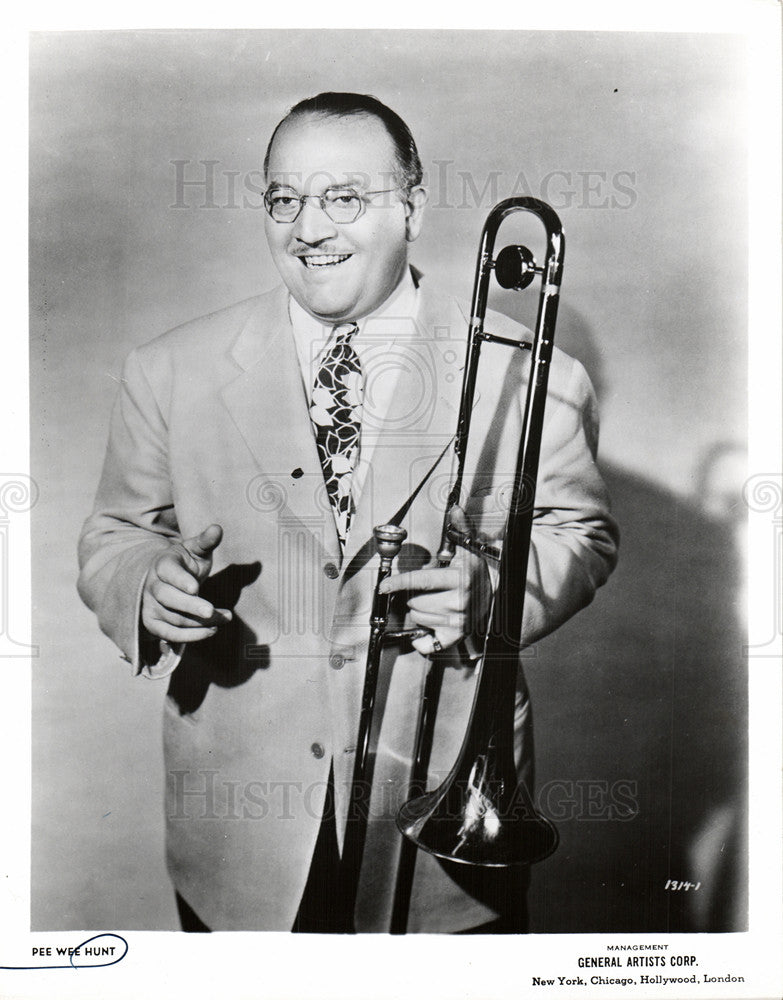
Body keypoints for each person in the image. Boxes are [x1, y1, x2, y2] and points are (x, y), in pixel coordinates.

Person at [77, 92, 618, 933]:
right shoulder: (167, 369)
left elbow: (578, 533)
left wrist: (495, 591)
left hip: (444, 799)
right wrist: (146, 582)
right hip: (239, 820)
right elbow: (118, 533)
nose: (309, 228)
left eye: (345, 199)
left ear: (411, 207)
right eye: (284, 200)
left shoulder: (531, 372)